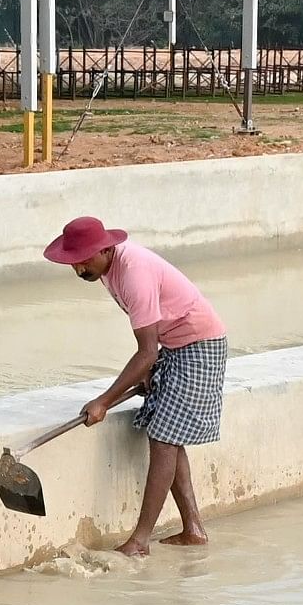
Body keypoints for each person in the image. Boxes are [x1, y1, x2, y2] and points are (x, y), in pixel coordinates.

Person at [45, 214, 227, 556]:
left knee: (165, 439)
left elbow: (145, 351)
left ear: (105, 249)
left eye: (83, 261)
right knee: (169, 436)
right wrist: (146, 369)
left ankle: (139, 542)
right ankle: (193, 530)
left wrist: (103, 400)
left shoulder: (133, 274)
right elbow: (150, 346)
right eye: (74, 263)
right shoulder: (106, 269)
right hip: (173, 345)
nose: (79, 269)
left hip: (198, 346)